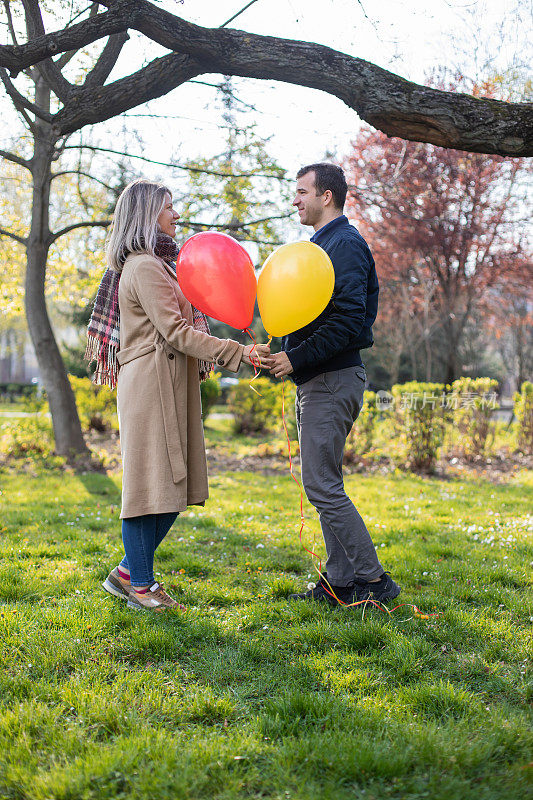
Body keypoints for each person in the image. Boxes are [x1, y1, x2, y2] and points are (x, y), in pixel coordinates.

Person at [87, 179, 269, 612]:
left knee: (174, 484)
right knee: (148, 486)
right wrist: (238, 352)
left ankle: (130, 573)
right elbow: (174, 331)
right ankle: (142, 585)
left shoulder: (162, 266)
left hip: (169, 381)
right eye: (169, 207)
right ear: (148, 214)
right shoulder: (145, 267)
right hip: (151, 385)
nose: (176, 215)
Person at [266, 163, 400, 607]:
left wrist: (294, 357)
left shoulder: (343, 245)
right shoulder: (317, 248)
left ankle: (376, 583)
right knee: (324, 482)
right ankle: (340, 582)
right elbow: (306, 311)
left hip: (331, 379)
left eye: (302, 191)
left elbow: (345, 322)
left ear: (327, 196)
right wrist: (276, 347)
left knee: (322, 485)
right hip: (317, 380)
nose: (295, 200)